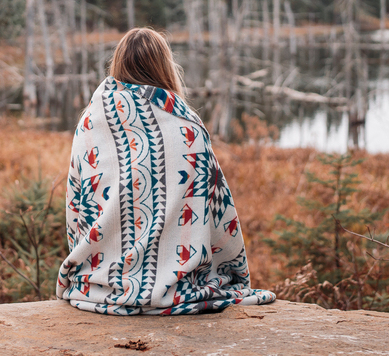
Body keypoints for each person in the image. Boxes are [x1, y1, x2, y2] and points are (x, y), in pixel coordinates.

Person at [56, 28, 275, 315]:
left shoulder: (90, 123)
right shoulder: (188, 128)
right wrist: (237, 274)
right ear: (164, 67)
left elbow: (77, 210)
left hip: (99, 285)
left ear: (118, 64)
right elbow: (219, 215)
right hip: (178, 288)